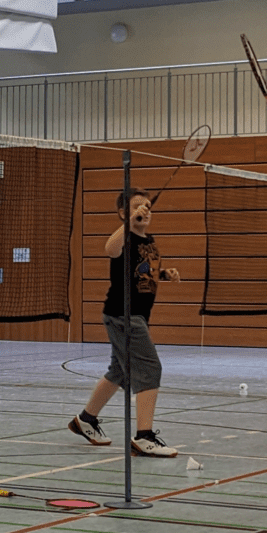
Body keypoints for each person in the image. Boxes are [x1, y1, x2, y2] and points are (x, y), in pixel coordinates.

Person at [68, 187, 181, 457]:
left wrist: (164, 274)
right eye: (137, 206)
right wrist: (128, 223)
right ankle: (143, 437)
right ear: (122, 213)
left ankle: (85, 419)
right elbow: (110, 249)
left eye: (147, 206)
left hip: (136, 315)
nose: (145, 210)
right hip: (124, 315)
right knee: (150, 369)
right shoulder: (124, 238)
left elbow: (141, 272)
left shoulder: (147, 240)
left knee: (119, 371)